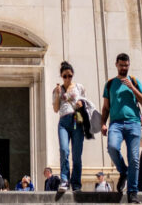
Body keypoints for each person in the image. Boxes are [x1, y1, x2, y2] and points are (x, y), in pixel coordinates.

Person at [101, 52, 142, 204]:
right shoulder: (109, 84)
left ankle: (132, 193)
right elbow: (106, 107)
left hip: (133, 123)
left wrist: (132, 88)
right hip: (115, 123)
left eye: (126, 66)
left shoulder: (134, 81)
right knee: (112, 147)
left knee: (134, 158)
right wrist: (103, 123)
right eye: (121, 65)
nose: (124, 68)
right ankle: (123, 171)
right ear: (116, 65)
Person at [52, 60, 87, 193]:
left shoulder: (79, 87)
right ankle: (64, 180)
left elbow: (86, 103)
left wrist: (81, 104)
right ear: (61, 76)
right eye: (65, 76)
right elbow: (55, 109)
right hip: (63, 122)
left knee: (77, 155)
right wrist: (57, 95)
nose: (67, 78)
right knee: (64, 150)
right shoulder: (57, 89)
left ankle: (76, 184)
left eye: (70, 75)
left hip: (77, 120)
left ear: (73, 75)